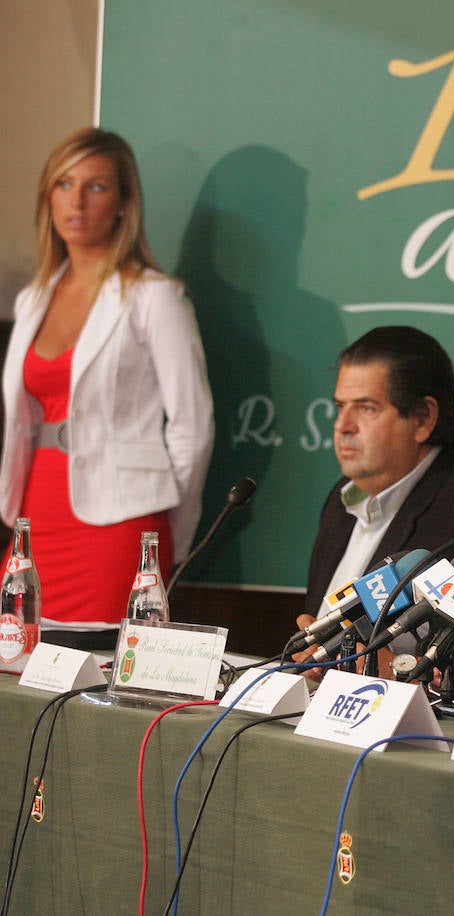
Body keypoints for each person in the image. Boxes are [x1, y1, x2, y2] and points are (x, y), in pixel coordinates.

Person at [0, 128, 213, 650]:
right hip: (34, 517)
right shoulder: (34, 300)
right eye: (64, 184)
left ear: (124, 204)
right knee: (17, 665)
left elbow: (193, 427)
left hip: (120, 521)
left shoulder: (154, 298)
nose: (76, 200)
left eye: (95, 187)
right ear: (48, 196)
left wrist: (166, 534)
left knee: (100, 671)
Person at [296, 326, 454, 646]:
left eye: (366, 408)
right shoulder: (341, 499)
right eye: (340, 406)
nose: (342, 426)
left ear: (423, 418)